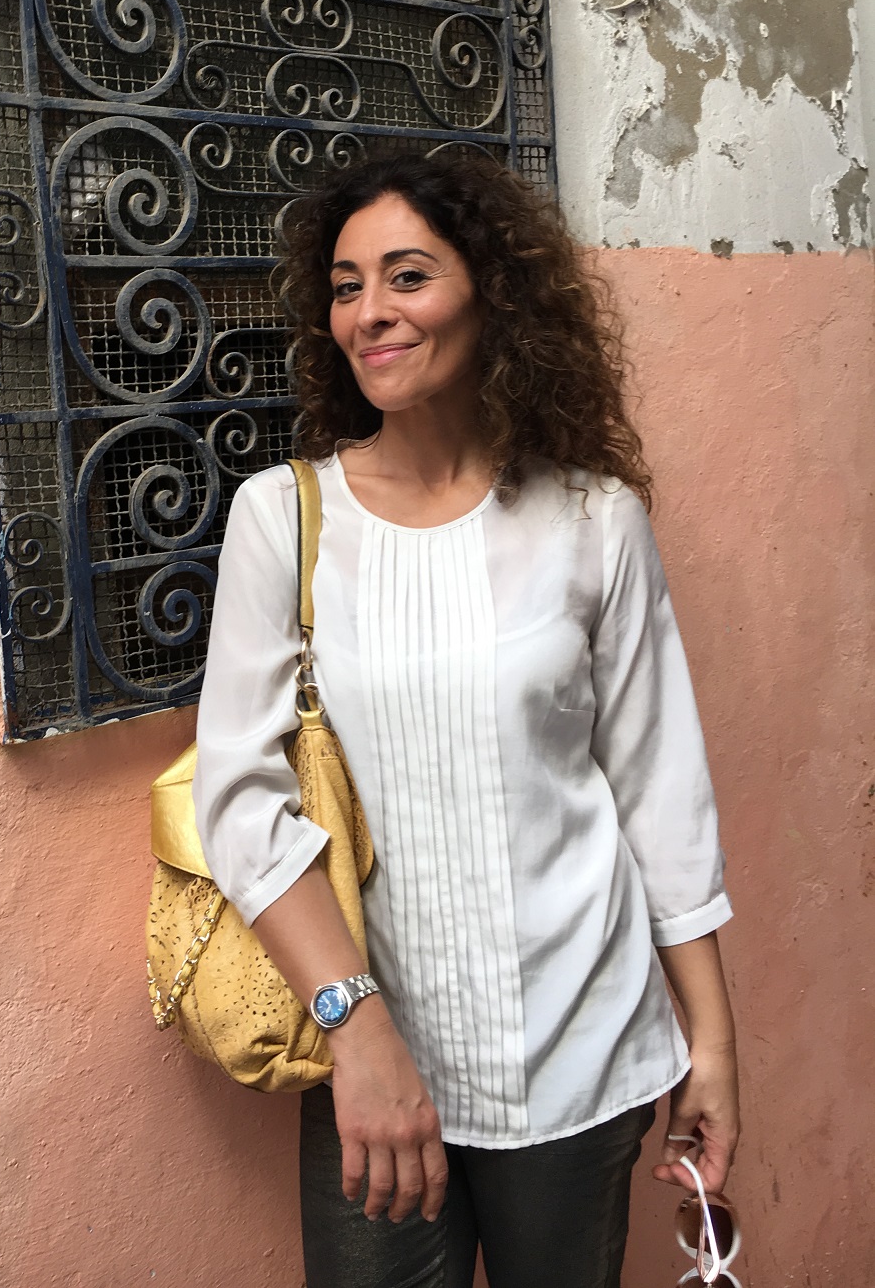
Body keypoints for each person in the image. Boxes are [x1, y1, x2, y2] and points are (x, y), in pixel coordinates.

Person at [192, 152, 740, 1288]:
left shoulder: (593, 520)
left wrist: (714, 1041)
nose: (371, 312)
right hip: (374, 1056)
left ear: (493, 293)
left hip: (582, 1051)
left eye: (407, 275)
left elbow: (659, 792)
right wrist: (357, 1029)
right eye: (346, 286)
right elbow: (241, 801)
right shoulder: (283, 518)